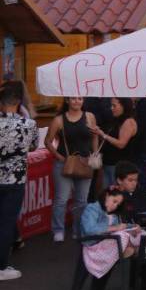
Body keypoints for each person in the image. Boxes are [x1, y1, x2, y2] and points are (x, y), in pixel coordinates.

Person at [47, 97, 100, 242]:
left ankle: (78, 229)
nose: (77, 101)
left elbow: (95, 137)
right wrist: (59, 156)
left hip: (84, 162)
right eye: (74, 99)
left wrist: (94, 155)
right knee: (61, 199)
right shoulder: (59, 120)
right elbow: (48, 141)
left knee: (81, 200)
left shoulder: (90, 116)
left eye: (80, 98)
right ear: (67, 101)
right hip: (64, 163)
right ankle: (58, 230)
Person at [0, 84, 38, 281]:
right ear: (17, 103)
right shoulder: (28, 124)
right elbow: (33, 147)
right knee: (6, 222)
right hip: (15, 179)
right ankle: (2, 266)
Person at [79, 185, 146, 279]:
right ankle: (132, 249)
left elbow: (121, 226)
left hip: (108, 243)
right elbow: (89, 229)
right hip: (94, 246)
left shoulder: (113, 214)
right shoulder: (93, 208)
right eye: (114, 201)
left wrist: (133, 227)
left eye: (118, 204)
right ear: (106, 195)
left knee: (141, 233)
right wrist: (114, 228)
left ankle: (133, 248)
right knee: (121, 235)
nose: (115, 206)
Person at [96, 98, 139, 188]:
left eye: (114, 106)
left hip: (118, 165)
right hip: (108, 163)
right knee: (107, 193)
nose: (111, 108)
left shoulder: (128, 122)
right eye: (111, 105)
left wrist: (103, 135)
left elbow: (121, 144)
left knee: (116, 193)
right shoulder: (116, 120)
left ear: (123, 106)